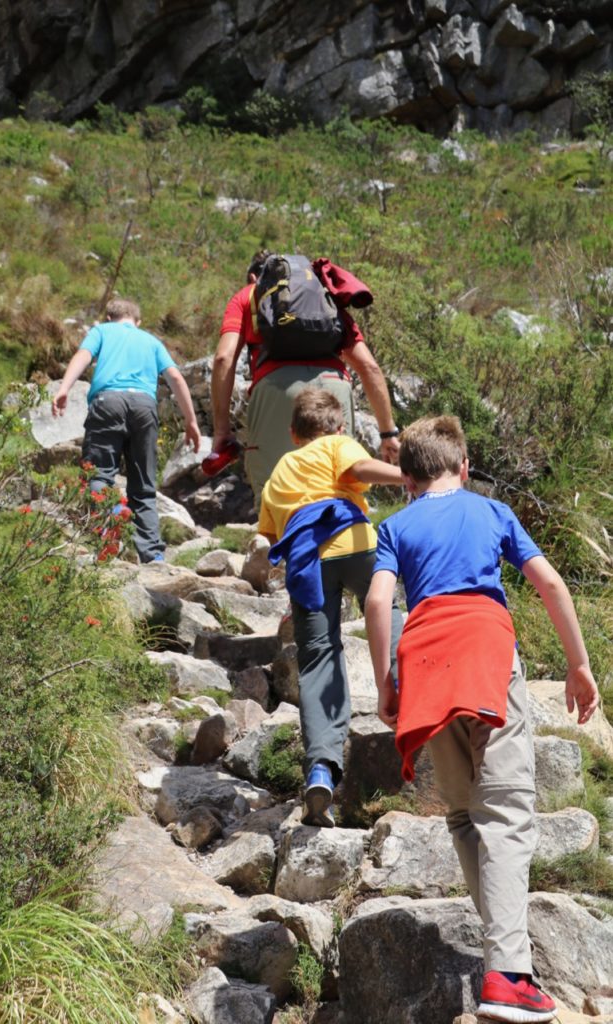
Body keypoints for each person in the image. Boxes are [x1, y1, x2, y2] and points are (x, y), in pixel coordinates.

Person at [364, 415, 599, 1023]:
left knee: (466, 812)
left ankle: (503, 954)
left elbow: (376, 599)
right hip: (484, 651)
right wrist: (578, 664)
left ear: (406, 479)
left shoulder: (394, 525)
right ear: (463, 468)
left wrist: (386, 680)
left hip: (424, 657)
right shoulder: (492, 512)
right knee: (510, 809)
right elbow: (548, 582)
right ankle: (508, 975)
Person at [258, 388, 404, 827]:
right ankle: (406, 693)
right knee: (388, 612)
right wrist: (407, 474)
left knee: (319, 657)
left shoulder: (280, 469)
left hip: (309, 564)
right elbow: (359, 468)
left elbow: (269, 536)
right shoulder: (338, 444)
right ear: (339, 427)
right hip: (356, 545)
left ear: (292, 432)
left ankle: (321, 767)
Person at [211, 249, 401, 507]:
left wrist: (222, 430)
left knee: (277, 498)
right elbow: (369, 367)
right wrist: (388, 433)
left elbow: (223, 359)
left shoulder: (248, 296)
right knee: (340, 488)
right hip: (334, 388)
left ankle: (283, 545)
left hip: (276, 390)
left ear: (256, 277)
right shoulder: (323, 294)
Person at [52, 298, 200, 563]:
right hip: (144, 406)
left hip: (107, 402)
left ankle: (105, 539)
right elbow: (175, 377)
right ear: (137, 321)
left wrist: (64, 388)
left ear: (109, 318)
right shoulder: (151, 340)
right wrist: (191, 421)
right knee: (143, 484)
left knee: (99, 475)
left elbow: (83, 356)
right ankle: (153, 554)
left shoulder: (101, 332)